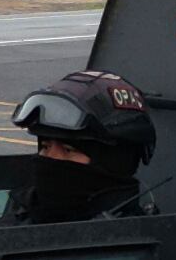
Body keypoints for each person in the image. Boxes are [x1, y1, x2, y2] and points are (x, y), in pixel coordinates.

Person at [9, 69, 156, 220]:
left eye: (68, 150)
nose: (51, 158)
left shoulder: (127, 237)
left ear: (114, 162)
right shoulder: (21, 214)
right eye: (46, 147)